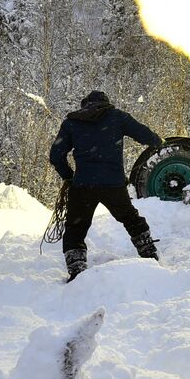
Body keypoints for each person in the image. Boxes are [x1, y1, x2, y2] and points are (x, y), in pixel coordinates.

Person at [48, 90, 163, 282]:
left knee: (75, 227)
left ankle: (77, 270)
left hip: (83, 185)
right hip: (113, 185)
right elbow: (145, 135)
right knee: (130, 218)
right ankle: (149, 254)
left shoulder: (72, 122)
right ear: (106, 103)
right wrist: (158, 141)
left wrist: (69, 177)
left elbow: (56, 156)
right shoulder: (117, 117)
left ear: (85, 104)